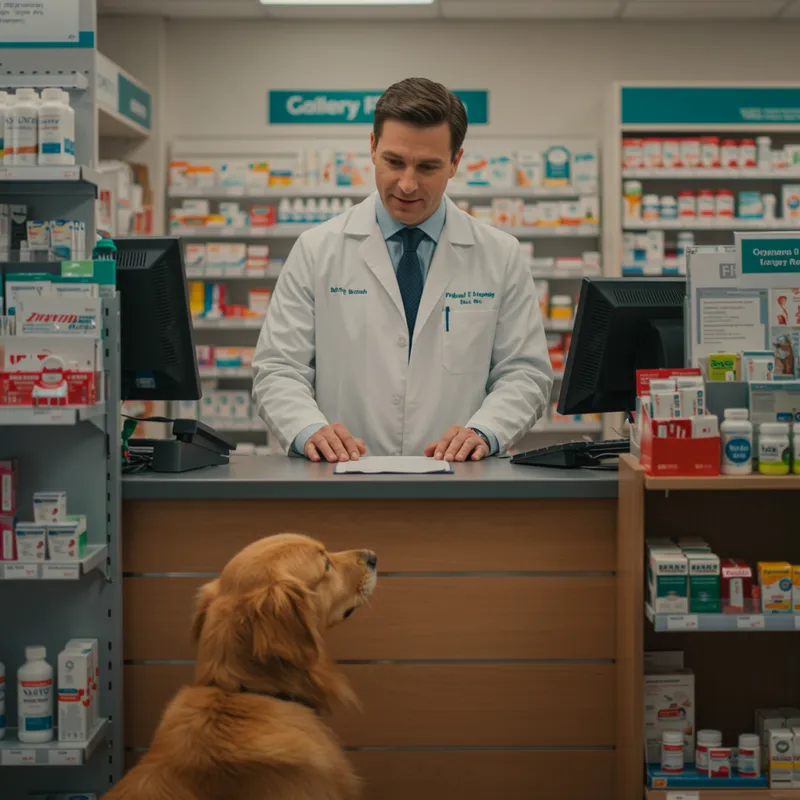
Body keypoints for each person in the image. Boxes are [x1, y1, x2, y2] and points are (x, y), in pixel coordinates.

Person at [252, 77, 553, 463]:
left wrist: (485, 430)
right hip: (341, 478)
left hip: (461, 481)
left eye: (427, 167)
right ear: (373, 148)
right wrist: (309, 429)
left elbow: (525, 374)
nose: (407, 184)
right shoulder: (317, 249)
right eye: (394, 162)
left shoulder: (499, 255)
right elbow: (278, 368)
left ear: (455, 163)